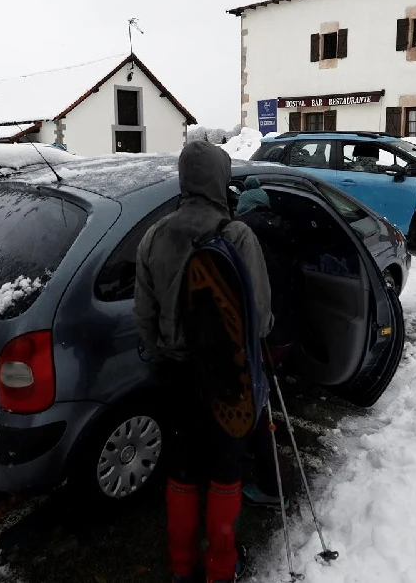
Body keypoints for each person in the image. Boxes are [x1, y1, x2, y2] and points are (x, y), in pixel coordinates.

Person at [135, 141, 273, 583]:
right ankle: (219, 569)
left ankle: (181, 567)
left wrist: (162, 353)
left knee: (182, 468)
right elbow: (261, 319)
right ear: (220, 178)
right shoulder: (238, 236)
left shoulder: (154, 236)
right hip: (226, 378)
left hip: (175, 376)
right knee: (225, 469)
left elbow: (144, 315)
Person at [234, 177, 296, 509]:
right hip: (287, 330)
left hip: (263, 333)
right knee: (269, 395)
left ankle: (275, 487)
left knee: (259, 409)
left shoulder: (242, 236)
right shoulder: (284, 229)